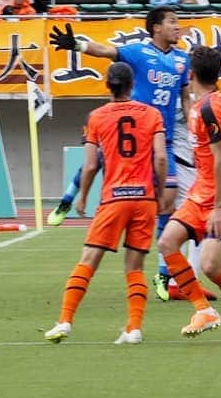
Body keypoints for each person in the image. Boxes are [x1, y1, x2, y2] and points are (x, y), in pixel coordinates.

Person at [43, 61, 168, 345]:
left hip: (114, 198)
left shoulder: (97, 117)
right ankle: (134, 328)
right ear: (132, 85)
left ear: (107, 85)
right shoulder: (151, 114)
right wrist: (159, 192)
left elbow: (89, 165)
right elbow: (160, 157)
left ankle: (64, 321)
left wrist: (83, 196)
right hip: (145, 199)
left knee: (88, 260)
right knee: (135, 266)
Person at [154, 45, 221, 341]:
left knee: (211, 266)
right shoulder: (198, 104)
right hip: (200, 190)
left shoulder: (210, 107)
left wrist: (218, 207)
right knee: (166, 243)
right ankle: (204, 310)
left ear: (191, 73)